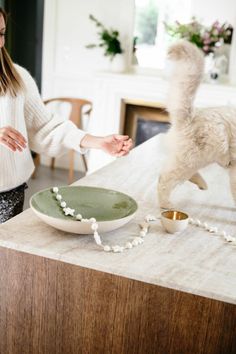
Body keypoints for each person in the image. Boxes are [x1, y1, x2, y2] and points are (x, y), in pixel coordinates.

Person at [0, 8, 132, 223]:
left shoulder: (17, 78)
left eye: (1, 33)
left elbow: (47, 127)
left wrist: (98, 142)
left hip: (11, 192)